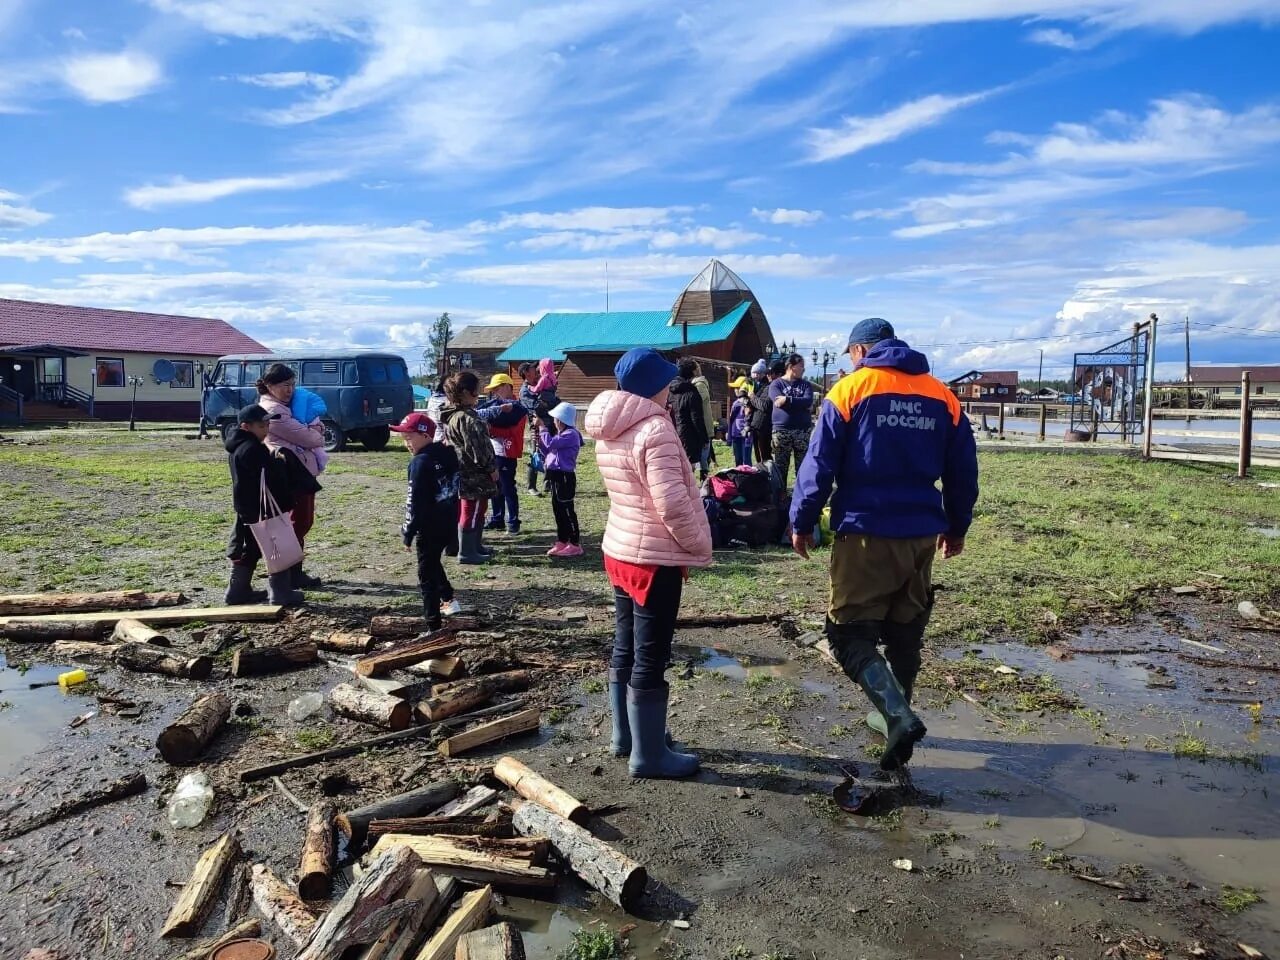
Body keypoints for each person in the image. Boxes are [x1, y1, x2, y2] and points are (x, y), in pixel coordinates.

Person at [790, 318, 979, 772]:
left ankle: (896, 715)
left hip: (866, 531)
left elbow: (818, 464)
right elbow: (963, 471)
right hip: (920, 535)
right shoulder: (943, 396)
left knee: (847, 633)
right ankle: (897, 709)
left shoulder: (850, 391)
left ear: (859, 351)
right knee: (904, 626)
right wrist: (957, 527)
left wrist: (800, 519)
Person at [585, 347, 713, 779]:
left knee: (626, 644)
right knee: (650, 655)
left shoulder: (612, 426)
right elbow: (672, 503)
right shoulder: (654, 427)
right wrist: (698, 544)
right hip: (653, 556)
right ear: (655, 385)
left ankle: (629, 737)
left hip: (620, 547)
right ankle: (649, 756)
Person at [223, 404, 304, 606]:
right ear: (246, 426)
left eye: (268, 424)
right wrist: (279, 462)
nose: (266, 429)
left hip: (247, 508)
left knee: (249, 548)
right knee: (277, 547)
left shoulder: (237, 446)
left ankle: (237, 591)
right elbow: (270, 478)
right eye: (261, 426)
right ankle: (281, 593)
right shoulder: (252, 449)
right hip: (263, 508)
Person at [255, 363, 325, 588]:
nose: (290, 390)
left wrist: (314, 430)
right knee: (298, 522)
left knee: (300, 521)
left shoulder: (285, 407)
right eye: (285, 385)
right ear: (269, 386)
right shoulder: (273, 411)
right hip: (291, 473)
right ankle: (289, 574)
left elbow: (313, 433)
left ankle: (292, 572)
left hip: (297, 470)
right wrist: (315, 431)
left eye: (293, 385)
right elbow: (311, 438)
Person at [392, 411, 462, 629]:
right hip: (449, 521)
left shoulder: (419, 463)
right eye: (404, 438)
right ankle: (449, 598)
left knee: (426, 575)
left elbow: (414, 501)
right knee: (432, 561)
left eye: (409, 437)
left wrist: (408, 532)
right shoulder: (448, 454)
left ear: (425, 435)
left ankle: (433, 626)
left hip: (429, 527)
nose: (407, 443)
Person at [439, 371, 499, 565]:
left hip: (467, 473)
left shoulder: (455, 416)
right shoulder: (467, 419)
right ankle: (466, 552)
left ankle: (475, 546)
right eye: (476, 392)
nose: (478, 395)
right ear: (466, 393)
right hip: (473, 474)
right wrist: (491, 468)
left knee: (478, 510)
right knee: (471, 511)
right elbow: (479, 449)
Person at [477, 373, 528, 534]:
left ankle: (513, 521)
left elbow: (514, 432)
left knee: (507, 487)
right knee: (494, 486)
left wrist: (491, 430)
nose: (495, 393)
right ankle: (497, 519)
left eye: (497, 389)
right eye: (493, 390)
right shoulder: (496, 404)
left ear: (507, 386)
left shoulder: (517, 408)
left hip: (507, 452)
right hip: (494, 451)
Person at [539, 401, 583, 558]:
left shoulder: (571, 434)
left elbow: (550, 444)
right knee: (558, 509)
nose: (554, 422)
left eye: (556, 419)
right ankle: (563, 540)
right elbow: (548, 449)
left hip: (564, 476)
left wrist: (542, 429)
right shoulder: (561, 435)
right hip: (555, 475)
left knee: (566, 509)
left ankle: (574, 543)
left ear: (561, 420)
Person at [768, 353, 816, 488]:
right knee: (781, 466)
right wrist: (801, 405)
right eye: (801, 366)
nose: (803, 369)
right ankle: (781, 495)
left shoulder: (805, 385)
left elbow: (808, 401)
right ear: (791, 367)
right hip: (781, 431)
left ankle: (801, 494)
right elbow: (777, 402)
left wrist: (787, 400)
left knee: (803, 466)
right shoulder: (776, 384)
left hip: (802, 431)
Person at [668, 358, 708, 469]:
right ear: (693, 372)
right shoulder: (691, 392)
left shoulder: (668, 390)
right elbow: (697, 418)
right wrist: (704, 438)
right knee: (689, 469)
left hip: (671, 433)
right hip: (688, 436)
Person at [290, 385, 330, 473]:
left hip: (309, 417)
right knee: (316, 448)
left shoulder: (299, 396)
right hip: (312, 415)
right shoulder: (300, 393)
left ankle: (321, 462)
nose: (288, 389)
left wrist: (301, 424)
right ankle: (321, 462)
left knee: (315, 446)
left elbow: (299, 414)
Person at [518, 362, 543, 496]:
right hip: (536, 426)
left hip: (548, 423)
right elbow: (534, 407)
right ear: (527, 373)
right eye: (534, 368)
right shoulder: (525, 390)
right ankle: (531, 486)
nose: (536, 370)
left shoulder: (540, 384)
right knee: (536, 453)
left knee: (550, 451)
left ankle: (548, 482)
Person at [691, 363, 716, 481]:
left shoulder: (699, 385)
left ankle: (704, 482)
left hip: (704, 426)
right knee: (703, 455)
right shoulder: (697, 384)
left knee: (703, 457)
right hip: (701, 425)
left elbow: (697, 403)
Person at [748, 359, 776, 465]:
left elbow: (764, 406)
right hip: (757, 425)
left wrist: (752, 397)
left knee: (764, 456)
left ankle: (767, 476)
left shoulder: (768, 387)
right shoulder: (758, 385)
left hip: (763, 426)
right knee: (759, 456)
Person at [727, 378, 753, 466]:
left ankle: (749, 478)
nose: (735, 390)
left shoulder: (750, 403)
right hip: (736, 436)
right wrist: (729, 437)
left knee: (746, 460)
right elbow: (731, 421)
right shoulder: (735, 404)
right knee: (738, 460)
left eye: (737, 388)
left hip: (746, 437)